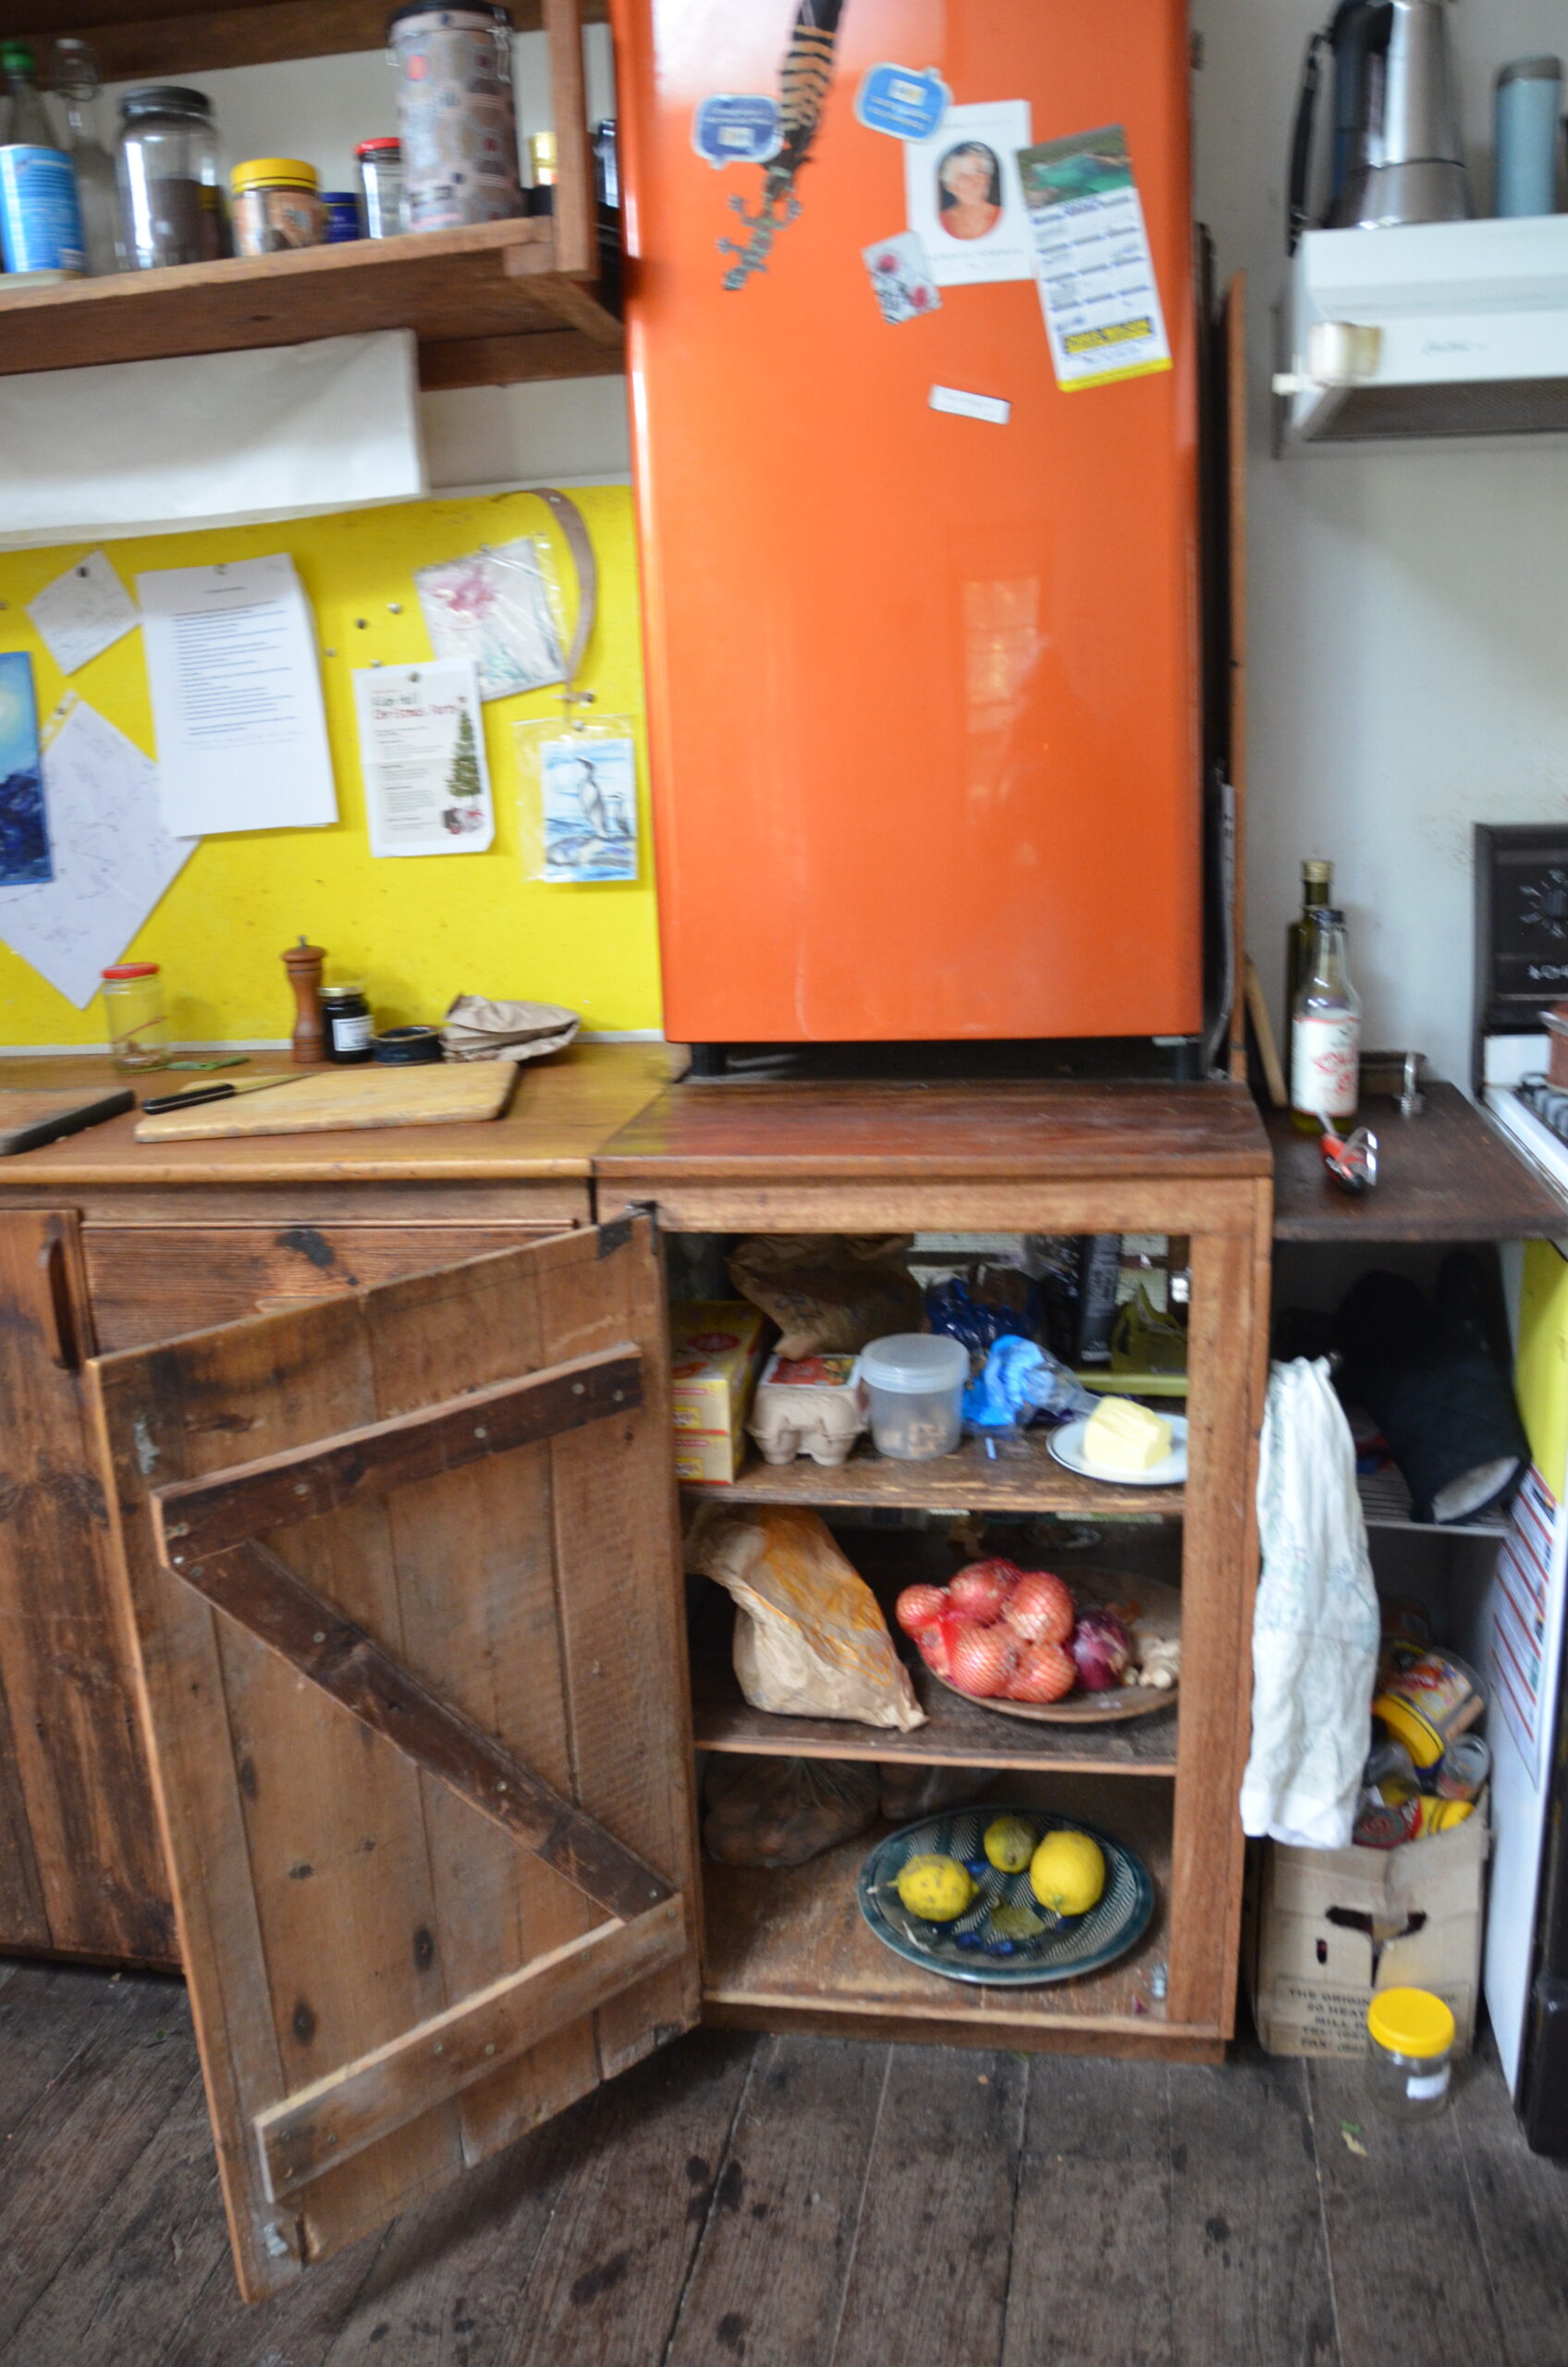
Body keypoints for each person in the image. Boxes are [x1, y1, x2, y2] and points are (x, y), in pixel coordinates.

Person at [937, 141, 1001, 239]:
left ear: (988, 179)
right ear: (951, 186)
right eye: (963, 177)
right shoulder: (939, 222)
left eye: (978, 172)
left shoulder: (1003, 216)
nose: (972, 183)